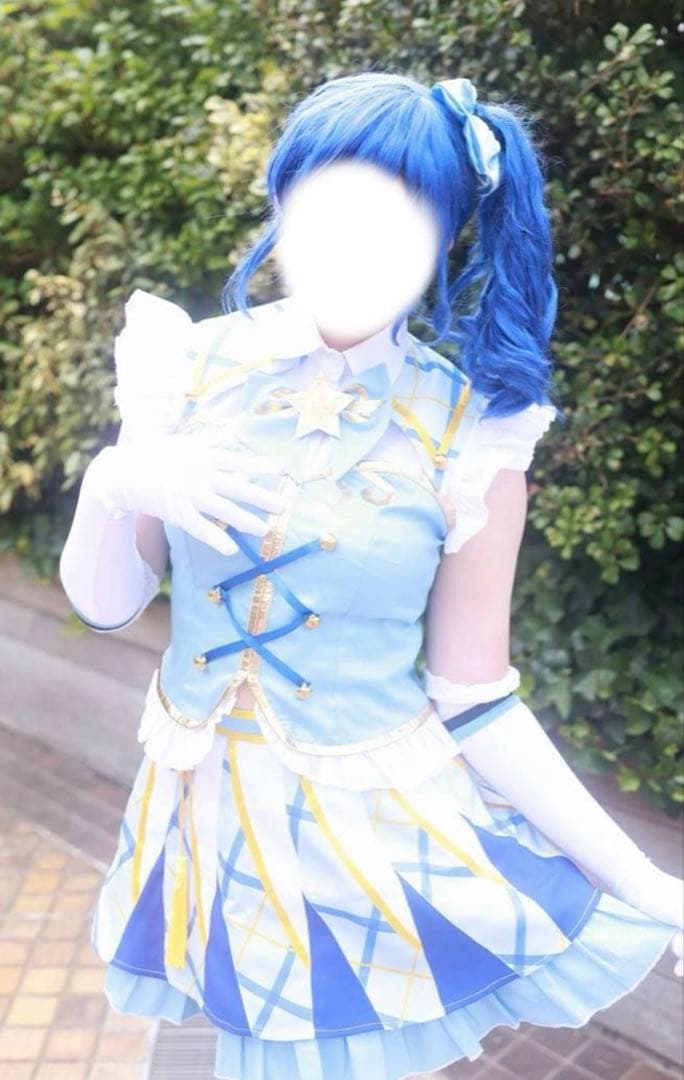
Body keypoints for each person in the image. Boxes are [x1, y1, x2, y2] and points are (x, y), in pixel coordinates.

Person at [59, 72, 683, 1080]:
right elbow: (107, 605)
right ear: (280, 204)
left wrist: (642, 879)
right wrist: (115, 480)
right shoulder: (187, 368)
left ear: (444, 242)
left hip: (367, 837)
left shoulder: (472, 431)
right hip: (195, 824)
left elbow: (474, 693)